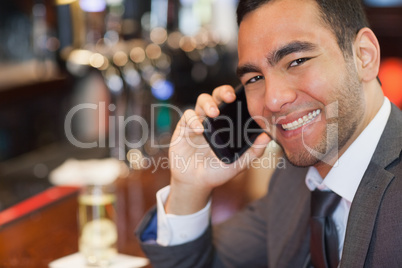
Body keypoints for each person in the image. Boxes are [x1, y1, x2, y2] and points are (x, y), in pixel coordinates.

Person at [136, 0, 402, 267]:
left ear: (364, 56)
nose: (273, 100)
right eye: (254, 79)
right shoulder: (294, 180)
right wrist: (190, 186)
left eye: (297, 61)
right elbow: (202, 262)